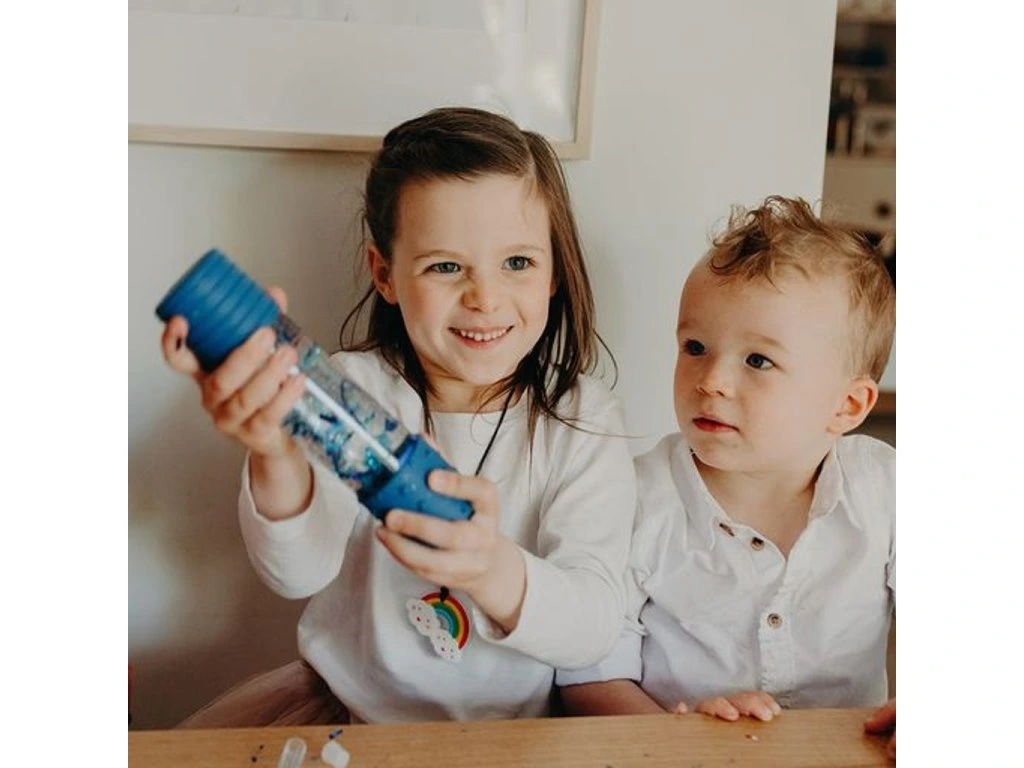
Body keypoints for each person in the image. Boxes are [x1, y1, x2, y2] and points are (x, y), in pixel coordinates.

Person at [160, 107, 636, 724]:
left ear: (554, 271)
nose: (484, 298)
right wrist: (274, 450)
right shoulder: (347, 393)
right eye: (446, 266)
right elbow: (297, 572)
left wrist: (489, 567)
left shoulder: (581, 420)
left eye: (517, 262)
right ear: (385, 274)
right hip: (352, 722)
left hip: (509, 741)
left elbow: (593, 627)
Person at [557, 196, 897, 759]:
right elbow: (588, 675)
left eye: (758, 361)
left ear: (847, 405)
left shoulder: (884, 487)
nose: (710, 379)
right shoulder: (634, 498)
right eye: (695, 347)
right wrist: (677, 737)